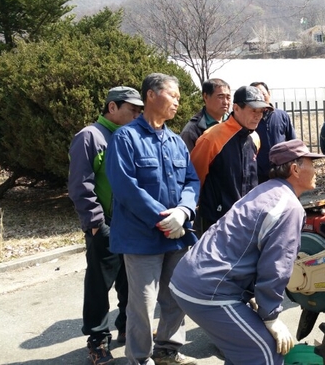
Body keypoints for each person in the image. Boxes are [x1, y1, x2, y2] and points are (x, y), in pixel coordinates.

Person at [169, 139, 324, 365]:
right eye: (311, 162)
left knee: (243, 351)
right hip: (209, 290)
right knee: (265, 352)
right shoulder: (289, 207)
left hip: (190, 277)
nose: (316, 169)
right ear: (295, 169)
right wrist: (270, 315)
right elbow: (276, 266)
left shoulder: (264, 190)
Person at [105, 73, 199, 365]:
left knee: (176, 297)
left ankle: (167, 350)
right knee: (143, 304)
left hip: (177, 234)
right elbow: (125, 187)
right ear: (150, 95)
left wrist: (183, 211)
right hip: (141, 237)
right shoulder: (126, 138)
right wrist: (162, 219)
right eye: (173, 96)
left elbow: (191, 181)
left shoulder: (175, 141)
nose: (177, 102)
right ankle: (140, 358)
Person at [68, 86, 143, 364]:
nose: (137, 115)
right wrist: (96, 224)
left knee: (130, 280)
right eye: (132, 110)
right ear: (112, 107)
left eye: (139, 110)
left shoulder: (129, 136)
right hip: (106, 224)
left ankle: (126, 325)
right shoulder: (90, 136)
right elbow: (80, 185)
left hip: (131, 224)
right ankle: (97, 340)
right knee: (99, 285)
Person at [190, 85, 271, 235]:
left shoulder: (254, 137)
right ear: (236, 108)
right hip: (217, 221)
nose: (258, 116)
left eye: (261, 111)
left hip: (247, 218)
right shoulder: (212, 137)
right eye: (253, 110)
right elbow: (194, 177)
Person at [250, 81, 296, 183]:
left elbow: (292, 142)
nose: (260, 97)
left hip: (283, 172)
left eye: (263, 93)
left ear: (269, 93)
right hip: (259, 174)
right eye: (256, 95)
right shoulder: (249, 120)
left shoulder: (282, 115)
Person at [180, 78, 231, 152]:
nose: (225, 102)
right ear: (206, 97)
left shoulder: (234, 124)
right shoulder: (192, 130)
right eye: (220, 97)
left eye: (228, 97)